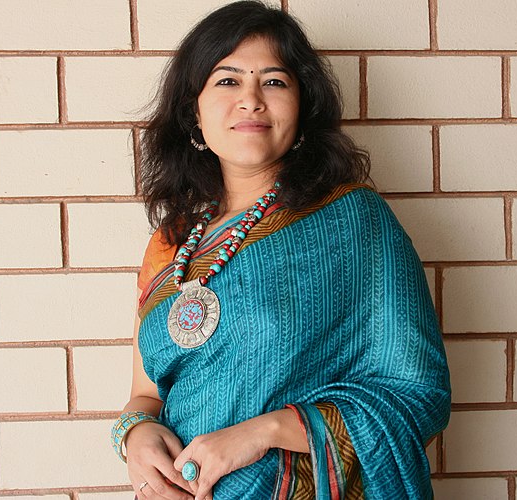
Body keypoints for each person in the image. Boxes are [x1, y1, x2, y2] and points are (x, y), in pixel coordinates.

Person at [111, 2, 451, 499]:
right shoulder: (171, 243)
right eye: (227, 81)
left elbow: (418, 394)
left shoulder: (356, 223)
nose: (251, 100)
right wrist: (134, 436)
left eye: (274, 81)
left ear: (303, 107)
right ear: (193, 111)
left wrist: (262, 433)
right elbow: (145, 394)